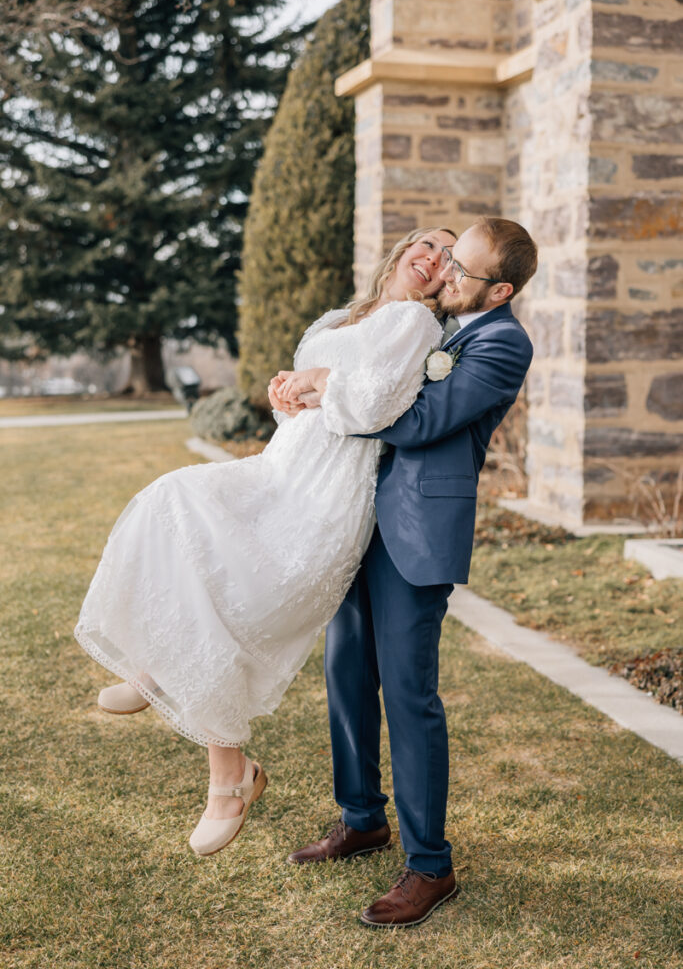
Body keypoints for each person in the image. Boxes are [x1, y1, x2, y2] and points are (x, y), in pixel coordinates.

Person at [74, 225, 457, 858]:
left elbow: (374, 408)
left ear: (448, 281)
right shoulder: (345, 317)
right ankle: (168, 684)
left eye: (447, 258)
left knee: (232, 602)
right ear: (403, 248)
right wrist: (290, 394)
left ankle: (226, 778)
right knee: (171, 504)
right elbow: (308, 404)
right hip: (279, 469)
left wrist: (320, 383)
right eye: (428, 244)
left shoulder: (416, 323)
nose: (434, 258)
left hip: (326, 494)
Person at [280, 217, 537, 929]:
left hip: (415, 532)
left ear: (500, 290)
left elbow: (421, 420)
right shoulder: (439, 324)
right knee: (345, 671)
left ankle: (430, 866)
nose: (447, 274)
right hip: (353, 515)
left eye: (464, 270)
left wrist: (331, 389)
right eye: (448, 261)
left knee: (408, 693)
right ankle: (361, 818)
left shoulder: (501, 341)